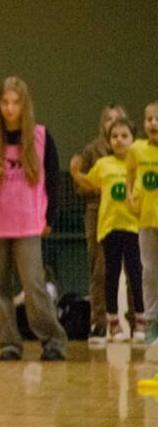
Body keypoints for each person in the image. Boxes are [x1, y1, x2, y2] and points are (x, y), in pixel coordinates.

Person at [0, 76, 66, 361]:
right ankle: (9, 344)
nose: (10, 108)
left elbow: (53, 181)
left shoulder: (41, 136)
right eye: (5, 102)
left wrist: (49, 217)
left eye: (16, 102)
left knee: (33, 285)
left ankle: (52, 340)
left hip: (28, 222)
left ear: (25, 105)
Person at [70, 105, 129, 344]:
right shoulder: (92, 150)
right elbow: (80, 184)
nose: (113, 124)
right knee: (99, 267)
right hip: (98, 211)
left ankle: (136, 322)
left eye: (118, 120)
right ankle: (99, 322)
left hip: (127, 213)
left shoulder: (132, 150)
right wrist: (98, 185)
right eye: (108, 120)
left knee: (134, 270)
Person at [85, 118, 142, 343]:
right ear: (109, 141)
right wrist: (76, 172)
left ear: (133, 138)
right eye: (114, 136)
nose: (119, 140)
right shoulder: (103, 165)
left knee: (136, 274)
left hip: (135, 227)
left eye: (124, 135)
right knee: (111, 275)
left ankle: (140, 323)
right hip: (109, 228)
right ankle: (113, 324)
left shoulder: (140, 163)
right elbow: (88, 183)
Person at [129, 101, 158, 347]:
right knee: (149, 273)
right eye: (149, 119)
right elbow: (130, 172)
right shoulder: (137, 150)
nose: (153, 123)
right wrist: (130, 193)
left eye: (157, 118)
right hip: (147, 221)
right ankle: (151, 323)